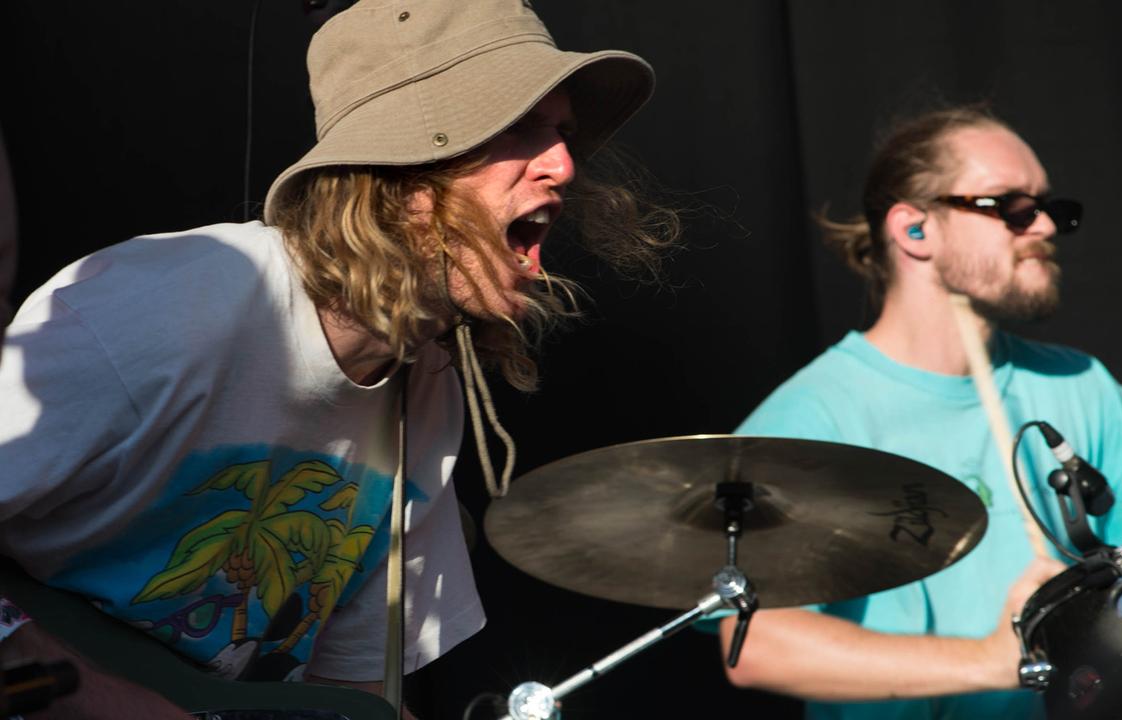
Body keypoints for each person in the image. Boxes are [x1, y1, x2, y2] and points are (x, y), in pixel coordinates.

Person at [0, 1, 674, 717]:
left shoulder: (428, 393)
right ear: (404, 170)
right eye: (519, 127)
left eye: (564, 132)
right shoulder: (175, 305)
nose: (565, 164)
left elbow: (348, 694)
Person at [719, 107, 1122, 719]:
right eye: (1010, 207)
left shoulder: (1082, 386)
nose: (1043, 225)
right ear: (915, 231)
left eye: (1050, 208)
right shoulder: (811, 418)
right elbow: (757, 647)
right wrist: (996, 660)